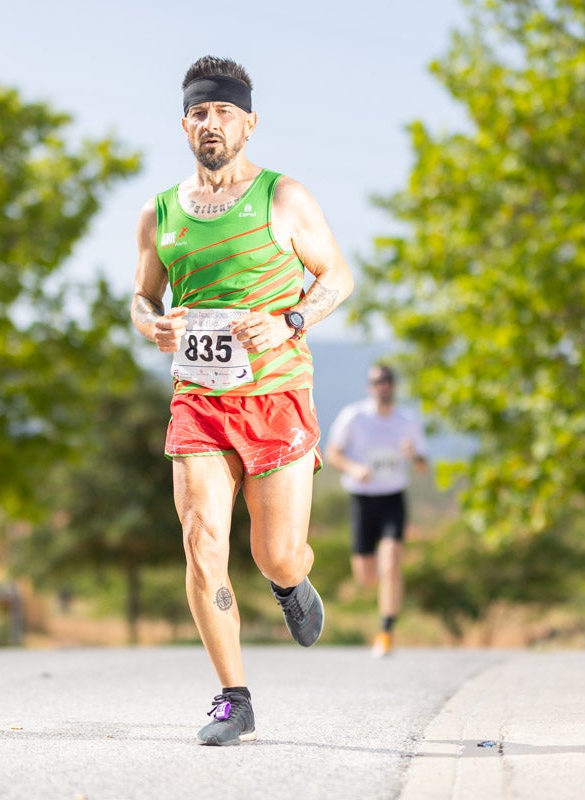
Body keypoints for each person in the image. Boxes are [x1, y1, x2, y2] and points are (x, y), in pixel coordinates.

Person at [131, 55, 353, 746]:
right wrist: (151, 324)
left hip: (276, 394)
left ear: (249, 122)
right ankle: (234, 697)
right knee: (201, 544)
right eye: (199, 112)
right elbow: (143, 296)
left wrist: (289, 319)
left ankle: (292, 583)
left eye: (223, 111)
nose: (210, 123)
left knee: (276, 554)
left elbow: (338, 277)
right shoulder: (160, 212)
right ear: (184, 124)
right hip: (198, 399)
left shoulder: (283, 198)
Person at [324, 364, 428, 658]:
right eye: (377, 381)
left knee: (391, 562)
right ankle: (380, 595)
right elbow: (332, 452)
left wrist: (413, 455)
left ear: (394, 386)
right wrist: (354, 468)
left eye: (388, 381)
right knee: (367, 575)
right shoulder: (354, 417)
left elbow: (422, 465)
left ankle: (386, 631)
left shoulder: (407, 421)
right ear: (370, 387)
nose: (383, 386)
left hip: (393, 497)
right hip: (362, 499)